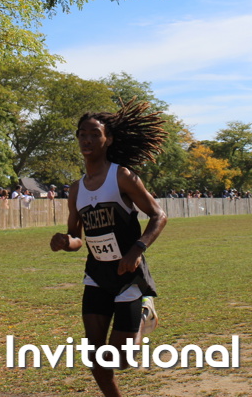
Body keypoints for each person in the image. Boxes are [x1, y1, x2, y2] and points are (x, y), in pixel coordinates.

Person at [49, 101, 168, 397]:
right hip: (97, 274)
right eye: (82, 134)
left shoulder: (122, 177)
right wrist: (65, 242)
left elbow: (158, 215)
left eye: (95, 134)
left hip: (127, 273)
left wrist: (136, 250)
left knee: (120, 360)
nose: (87, 140)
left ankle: (144, 312)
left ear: (108, 139)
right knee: (95, 356)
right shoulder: (76, 189)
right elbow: (77, 238)